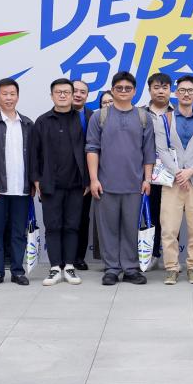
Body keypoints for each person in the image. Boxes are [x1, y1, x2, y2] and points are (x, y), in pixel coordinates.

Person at [86, 71, 155, 285]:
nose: (123, 91)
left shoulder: (143, 117)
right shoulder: (100, 116)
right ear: (112, 90)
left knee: (131, 228)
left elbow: (149, 151)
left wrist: (147, 179)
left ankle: (131, 268)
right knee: (107, 229)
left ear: (134, 91)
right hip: (105, 184)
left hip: (135, 185)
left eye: (128, 88)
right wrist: (94, 179)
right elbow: (92, 148)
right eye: (119, 88)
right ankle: (112, 269)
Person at [0, 77, 35, 286]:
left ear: (17, 96)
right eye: (5, 94)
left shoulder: (27, 124)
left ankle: (18, 271)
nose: (9, 98)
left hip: (21, 189)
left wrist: (33, 183)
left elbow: (34, 157)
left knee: (19, 233)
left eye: (12, 94)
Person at [31, 78, 87, 286]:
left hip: (76, 184)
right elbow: (34, 154)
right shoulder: (42, 121)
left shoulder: (82, 120)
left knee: (72, 226)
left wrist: (88, 180)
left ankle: (69, 266)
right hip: (50, 185)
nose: (62, 95)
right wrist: (36, 180)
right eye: (58, 92)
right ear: (52, 95)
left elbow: (90, 150)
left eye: (66, 92)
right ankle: (55, 267)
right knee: (53, 226)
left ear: (73, 95)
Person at [155, 75, 193, 285]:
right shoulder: (165, 119)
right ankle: (171, 268)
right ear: (176, 93)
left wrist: (191, 172)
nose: (186, 94)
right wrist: (179, 173)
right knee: (169, 228)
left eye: (190, 90)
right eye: (183, 90)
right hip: (172, 182)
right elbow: (161, 150)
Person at [145, 72, 173, 260]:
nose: (160, 91)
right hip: (146, 172)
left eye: (164, 87)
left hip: (171, 172)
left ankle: (170, 257)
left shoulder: (177, 113)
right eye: (156, 87)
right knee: (150, 213)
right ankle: (151, 254)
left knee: (171, 215)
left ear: (170, 90)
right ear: (149, 90)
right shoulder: (140, 113)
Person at [71, 79, 95, 270]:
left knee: (82, 219)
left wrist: (89, 179)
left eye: (82, 92)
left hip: (84, 179)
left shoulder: (92, 116)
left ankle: (78, 257)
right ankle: (62, 257)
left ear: (87, 96)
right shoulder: (52, 116)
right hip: (60, 178)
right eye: (75, 91)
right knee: (62, 220)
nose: (78, 95)